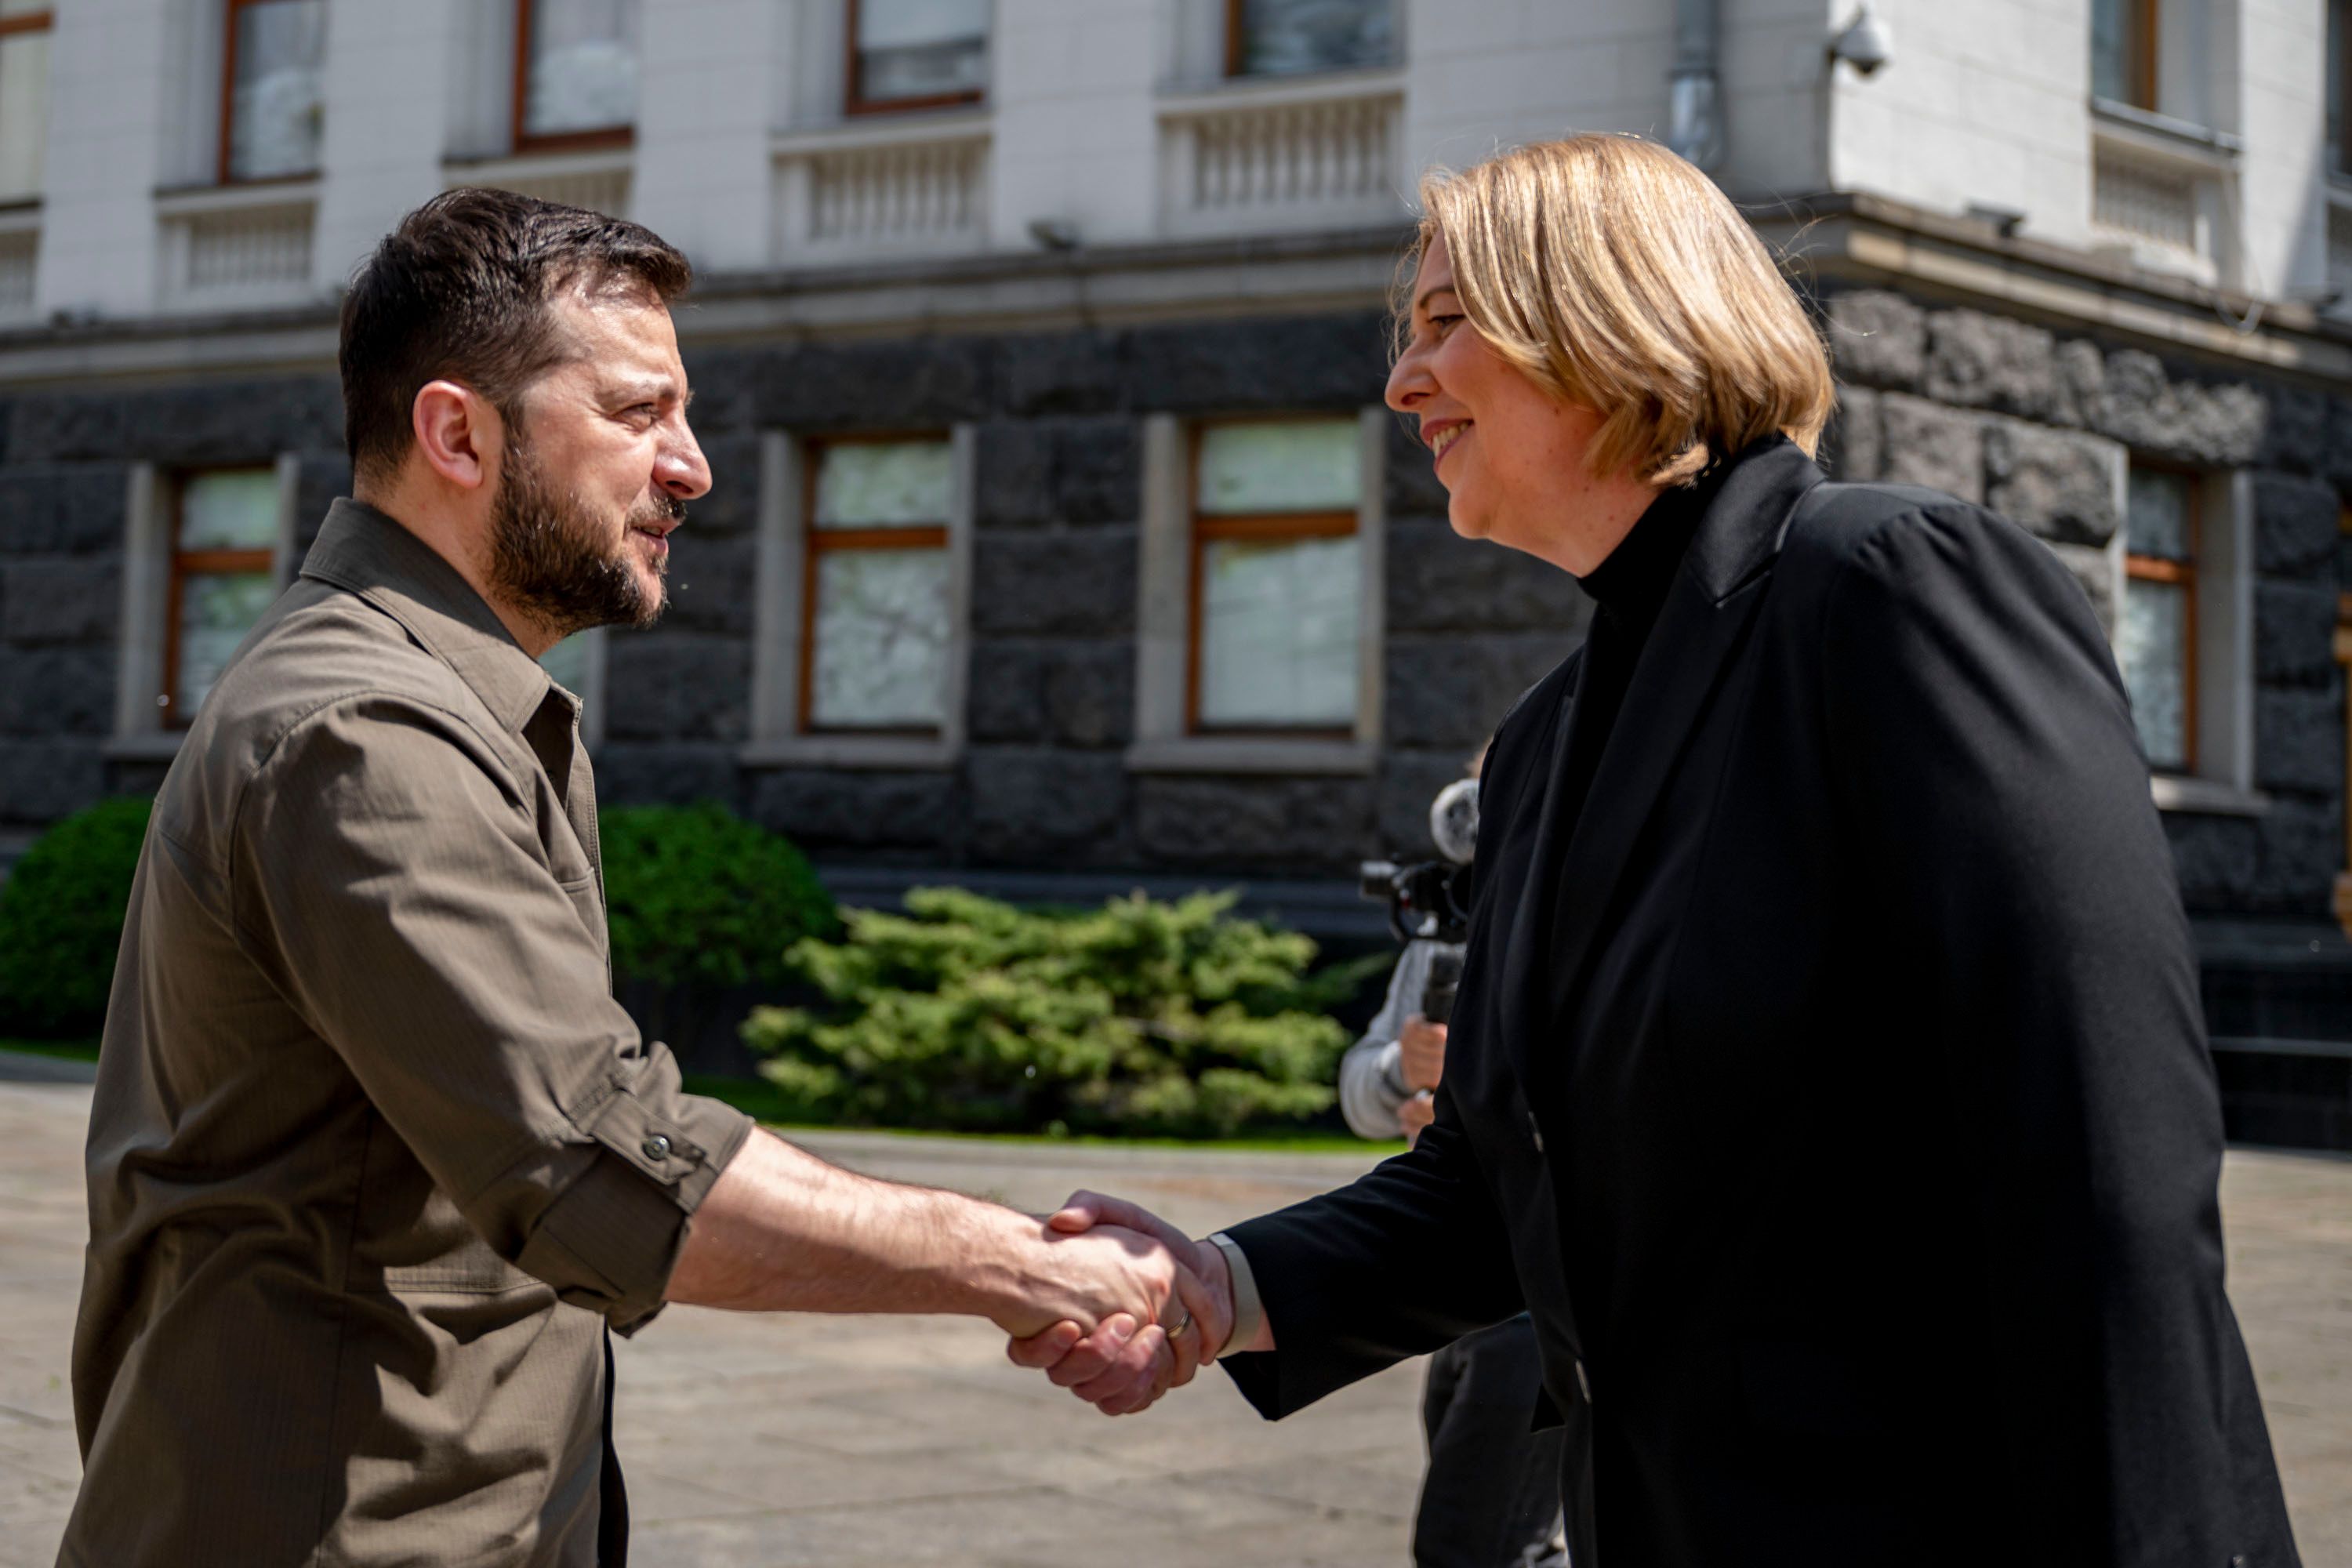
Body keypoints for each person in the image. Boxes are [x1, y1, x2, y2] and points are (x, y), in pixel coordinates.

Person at [1014, 134, 2300, 1568]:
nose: (1402, 383)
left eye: (1446, 321)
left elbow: (2101, 1158)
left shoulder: (1889, 588)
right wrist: (1218, 1285)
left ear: (1609, 322)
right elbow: (1498, 1187)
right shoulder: (1549, 740)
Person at [60, 190, 1203, 1568]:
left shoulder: (447, 702)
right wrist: (1025, 1265)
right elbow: (597, 1163)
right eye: (636, 411)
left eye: (684, 414)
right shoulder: (368, 731)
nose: (693, 467)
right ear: (458, 436)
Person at [1341, 767, 1567, 1568]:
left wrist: (1484, 1107)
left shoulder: (1587, 919)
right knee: (1503, 1541)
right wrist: (1403, 1076)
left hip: (1542, 1296)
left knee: (1469, 1544)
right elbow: (1360, 1091)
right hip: (1456, 1293)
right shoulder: (1448, 927)